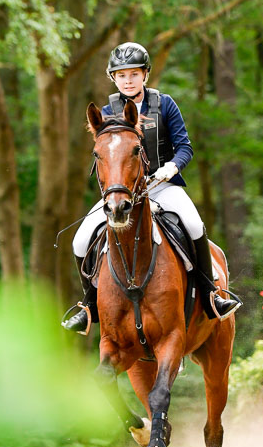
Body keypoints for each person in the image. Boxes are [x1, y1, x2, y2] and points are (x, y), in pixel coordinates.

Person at [62, 41, 242, 332]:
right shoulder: (108, 111)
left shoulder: (164, 104)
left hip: (163, 186)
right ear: (114, 78)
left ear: (144, 75)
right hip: (122, 192)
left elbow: (184, 146)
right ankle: (90, 305)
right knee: (80, 241)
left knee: (194, 226)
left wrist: (172, 166)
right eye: (122, 75)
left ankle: (211, 297)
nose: (128, 80)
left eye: (134, 74)